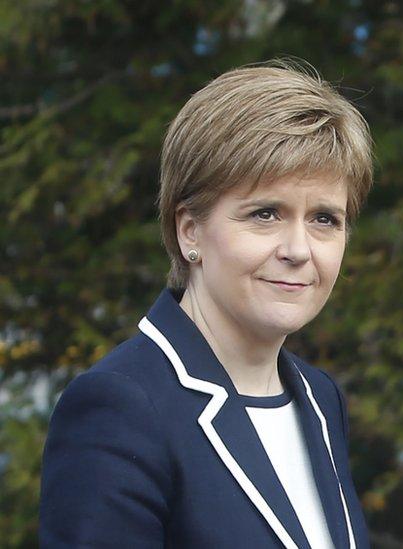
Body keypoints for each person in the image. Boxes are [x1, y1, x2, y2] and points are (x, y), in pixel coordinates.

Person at [40, 62, 373, 548]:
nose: (299, 249)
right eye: (266, 214)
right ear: (189, 230)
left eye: (324, 219)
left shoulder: (320, 398)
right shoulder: (121, 407)